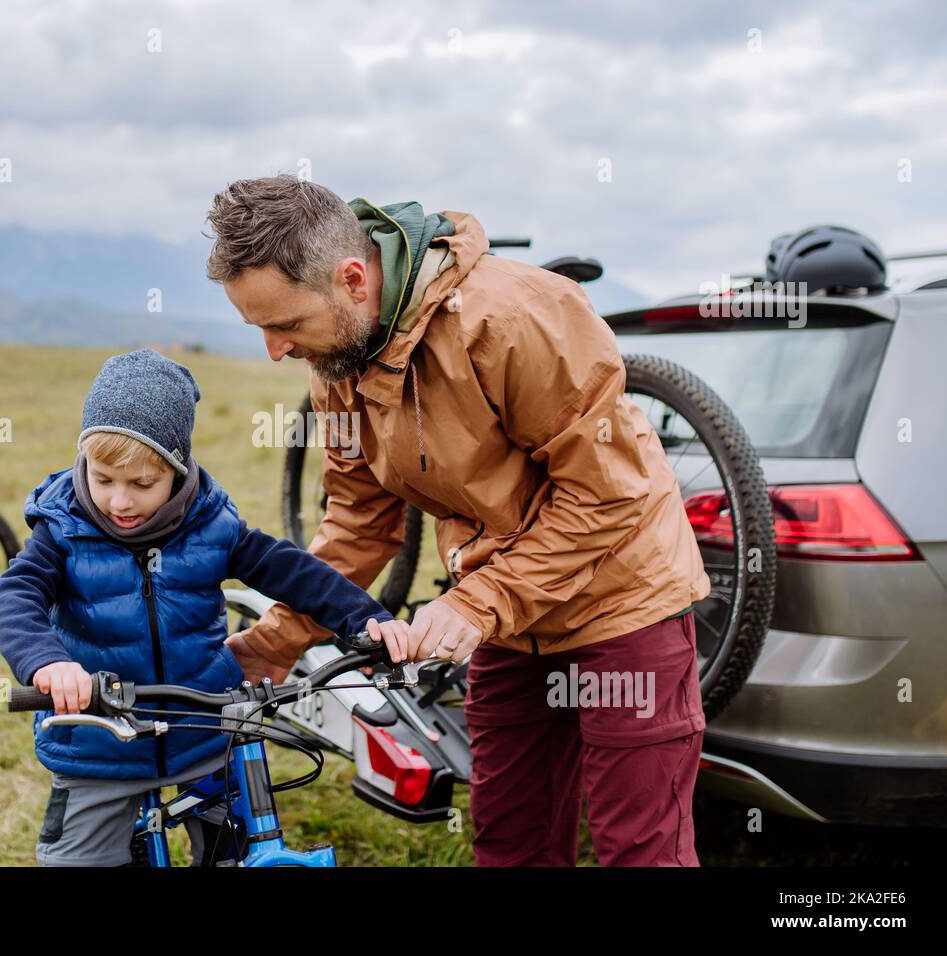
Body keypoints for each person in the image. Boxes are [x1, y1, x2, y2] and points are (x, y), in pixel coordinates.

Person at [204, 175, 712, 867]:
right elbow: (358, 525)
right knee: (511, 843)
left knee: (639, 851)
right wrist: (278, 639)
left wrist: (479, 600)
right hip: (509, 620)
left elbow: (609, 497)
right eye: (259, 327)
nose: (274, 350)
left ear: (354, 278)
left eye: (285, 324)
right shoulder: (338, 364)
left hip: (623, 605)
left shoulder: (517, 318)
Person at [0, 348, 411, 866]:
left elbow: (292, 571)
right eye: (103, 480)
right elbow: (17, 596)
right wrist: (49, 664)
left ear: (177, 470)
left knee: (233, 848)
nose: (119, 501)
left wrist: (364, 619)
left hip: (202, 729)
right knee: (81, 859)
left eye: (142, 484)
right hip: (99, 742)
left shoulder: (212, 526)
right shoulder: (61, 529)